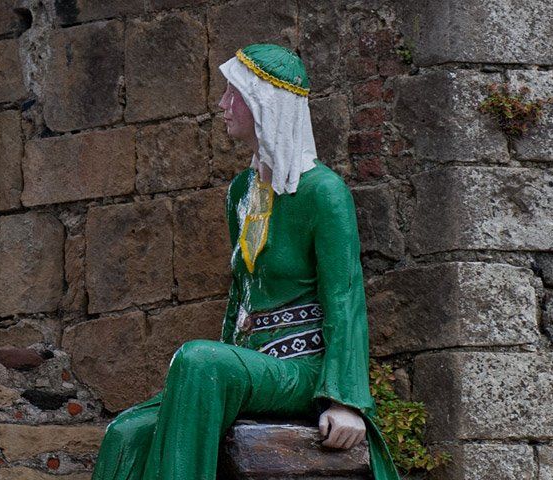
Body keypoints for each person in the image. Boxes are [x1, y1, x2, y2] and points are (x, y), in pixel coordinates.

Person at [90, 43, 401, 480]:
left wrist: (344, 400)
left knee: (198, 360)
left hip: (302, 368)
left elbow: (346, 298)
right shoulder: (241, 192)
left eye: (233, 92)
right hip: (250, 359)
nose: (222, 104)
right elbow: (240, 295)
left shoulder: (324, 193)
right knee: (127, 432)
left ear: (264, 102)